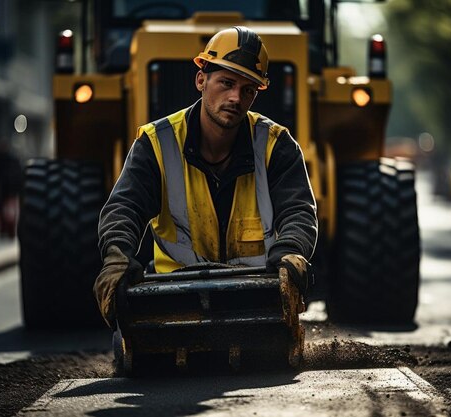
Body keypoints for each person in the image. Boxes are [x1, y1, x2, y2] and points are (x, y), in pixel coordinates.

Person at [94, 27, 318, 330]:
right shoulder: (157, 142)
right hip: (172, 296)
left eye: (248, 89)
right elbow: (126, 207)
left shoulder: (276, 145)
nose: (236, 97)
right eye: (226, 83)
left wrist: (291, 252)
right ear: (201, 79)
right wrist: (117, 256)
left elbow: (298, 211)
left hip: (255, 297)